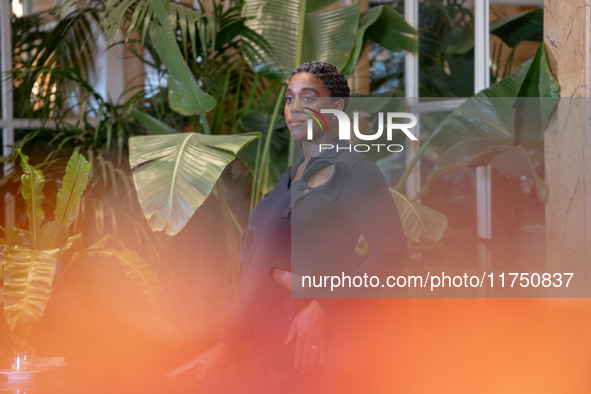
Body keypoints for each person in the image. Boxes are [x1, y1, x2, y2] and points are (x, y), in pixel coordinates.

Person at [168, 61, 406, 393]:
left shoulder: (355, 170)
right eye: (290, 98)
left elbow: (392, 252)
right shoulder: (289, 177)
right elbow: (260, 265)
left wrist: (325, 304)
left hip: (319, 357)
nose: (295, 108)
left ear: (337, 107)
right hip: (268, 352)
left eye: (308, 98)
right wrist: (225, 345)